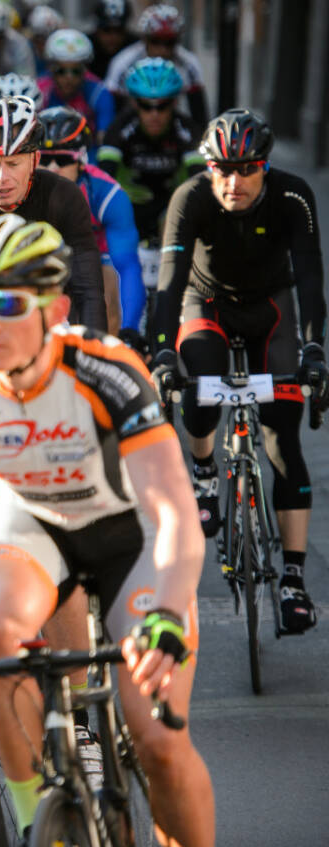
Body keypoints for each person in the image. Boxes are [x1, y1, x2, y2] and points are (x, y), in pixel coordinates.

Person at [0, 213, 215, 847]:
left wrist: (168, 611)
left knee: (159, 740)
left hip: (129, 535)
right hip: (31, 523)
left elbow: (174, 508)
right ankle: (40, 818)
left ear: (56, 307)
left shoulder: (107, 369)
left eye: (8, 302)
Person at [150, 109, 327, 633]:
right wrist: (162, 352)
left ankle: (293, 579)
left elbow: (311, 275)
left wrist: (315, 350)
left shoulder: (293, 196)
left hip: (271, 307)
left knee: (282, 442)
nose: (233, 181)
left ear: (265, 167)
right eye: (221, 169)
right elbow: (168, 281)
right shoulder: (191, 198)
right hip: (204, 302)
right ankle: (204, 475)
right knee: (199, 385)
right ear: (208, 168)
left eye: (247, 169)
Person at [0, 94, 108, 331]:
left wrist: (92, 352)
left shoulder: (64, 195)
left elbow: (87, 289)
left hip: (43, 311)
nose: (1, 178)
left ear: (34, 159)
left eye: (13, 164)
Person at [36, 107, 144, 337]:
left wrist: (130, 329)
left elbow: (126, 266)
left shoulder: (107, 193)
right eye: (45, 159)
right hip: (41, 250)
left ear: (82, 160)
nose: (53, 168)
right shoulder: (21, 187)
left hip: (91, 251)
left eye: (63, 159)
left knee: (105, 293)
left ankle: (103, 357)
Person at [97, 58, 205, 250]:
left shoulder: (187, 129)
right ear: (134, 103)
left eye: (162, 106)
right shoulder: (120, 129)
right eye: (146, 106)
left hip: (169, 209)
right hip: (128, 209)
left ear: (174, 102)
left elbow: (200, 179)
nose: (154, 114)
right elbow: (104, 176)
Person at [104, 4, 209, 125]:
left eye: (169, 43)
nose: (162, 49)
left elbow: (199, 113)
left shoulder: (189, 63)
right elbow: (111, 106)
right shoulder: (123, 62)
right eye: (156, 42)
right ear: (145, 39)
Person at [36, 29, 116, 137]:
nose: (69, 78)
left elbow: (104, 138)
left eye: (76, 71)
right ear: (50, 69)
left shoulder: (99, 93)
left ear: (85, 70)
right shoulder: (39, 90)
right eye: (61, 71)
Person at [87, 0, 135, 80]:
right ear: (97, 29)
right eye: (106, 30)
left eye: (119, 31)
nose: (113, 37)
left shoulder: (135, 47)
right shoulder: (86, 48)